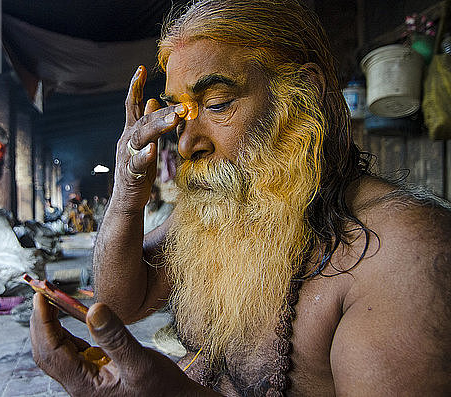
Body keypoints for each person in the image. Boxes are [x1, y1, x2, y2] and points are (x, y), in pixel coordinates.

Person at [29, 1, 451, 395]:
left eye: (217, 104)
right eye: (180, 115)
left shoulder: (401, 256)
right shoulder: (232, 212)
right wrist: (125, 194)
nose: (187, 143)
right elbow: (121, 302)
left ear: (304, 93)